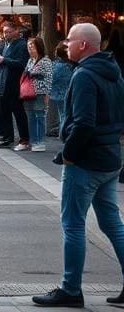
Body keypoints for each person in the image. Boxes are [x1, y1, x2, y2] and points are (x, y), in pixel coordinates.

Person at [32, 23, 124, 308]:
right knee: (112, 223)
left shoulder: (84, 75)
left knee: (72, 224)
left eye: (69, 40)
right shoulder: (113, 71)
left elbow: (83, 122)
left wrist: (69, 154)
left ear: (83, 45)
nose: (65, 44)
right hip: (109, 158)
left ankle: (71, 289)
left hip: (85, 161)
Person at [0, 21, 30, 149]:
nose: (6, 34)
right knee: (5, 112)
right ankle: (8, 137)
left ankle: (24, 139)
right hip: (3, 82)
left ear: (16, 31)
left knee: (18, 112)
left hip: (15, 84)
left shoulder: (21, 45)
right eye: (4, 32)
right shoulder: (5, 44)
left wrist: (5, 60)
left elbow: (22, 63)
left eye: (8, 32)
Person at [23, 37, 53, 152]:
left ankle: (40, 141)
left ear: (39, 47)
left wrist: (46, 93)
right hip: (28, 92)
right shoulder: (30, 60)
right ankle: (33, 140)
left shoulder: (46, 61)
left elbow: (49, 79)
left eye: (32, 46)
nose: (30, 48)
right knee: (30, 117)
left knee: (39, 116)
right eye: (29, 46)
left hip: (40, 93)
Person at [49, 41, 73, 135]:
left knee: (63, 116)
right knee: (65, 116)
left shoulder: (56, 65)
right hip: (68, 93)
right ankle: (65, 134)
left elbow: (51, 79)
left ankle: (64, 134)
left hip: (58, 94)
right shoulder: (71, 66)